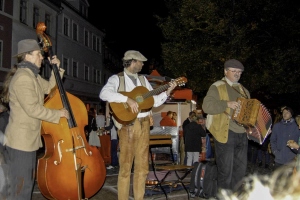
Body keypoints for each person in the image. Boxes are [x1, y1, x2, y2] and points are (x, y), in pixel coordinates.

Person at [99, 50, 176, 200]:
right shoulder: (117, 79)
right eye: (140, 62)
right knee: (126, 168)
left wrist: (167, 92)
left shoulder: (143, 80)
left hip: (145, 124)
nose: (142, 65)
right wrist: (126, 99)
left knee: (142, 168)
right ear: (132, 62)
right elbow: (104, 94)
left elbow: (152, 101)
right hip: (128, 126)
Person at [1, 39, 69, 199]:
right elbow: (32, 109)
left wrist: (56, 68)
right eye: (38, 54)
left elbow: (50, 88)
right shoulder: (23, 78)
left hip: (27, 141)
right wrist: (58, 114)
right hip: (20, 143)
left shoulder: (33, 76)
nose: (42, 58)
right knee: (21, 189)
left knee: (24, 186)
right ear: (27, 56)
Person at [202, 59, 250, 191]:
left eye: (239, 72)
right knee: (225, 172)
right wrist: (226, 104)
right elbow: (206, 106)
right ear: (225, 71)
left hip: (242, 134)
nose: (237, 74)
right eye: (233, 71)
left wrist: (252, 127)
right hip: (225, 132)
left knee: (240, 173)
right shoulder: (217, 86)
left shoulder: (244, 91)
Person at [271, 107, 300, 171]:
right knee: (277, 179)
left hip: (291, 160)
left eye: (287, 112)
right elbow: (272, 140)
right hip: (279, 159)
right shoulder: (277, 126)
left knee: (288, 180)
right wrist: (275, 152)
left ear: (291, 115)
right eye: (284, 112)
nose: (285, 114)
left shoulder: (296, 127)